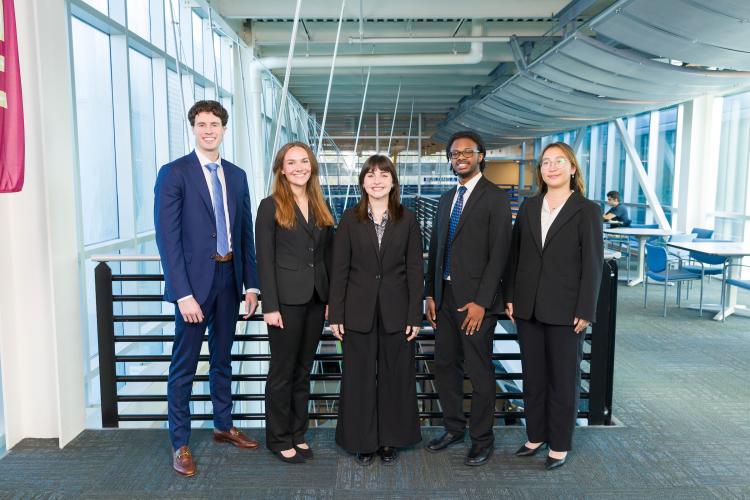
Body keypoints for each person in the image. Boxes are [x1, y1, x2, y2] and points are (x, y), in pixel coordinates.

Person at [154, 100, 261, 477]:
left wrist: (252, 285)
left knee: (223, 358)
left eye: (214, 123)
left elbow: (244, 232)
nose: (208, 130)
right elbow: (168, 240)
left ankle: (222, 424)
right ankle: (180, 442)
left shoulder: (237, 175)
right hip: (194, 288)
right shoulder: (175, 173)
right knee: (183, 366)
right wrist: (182, 294)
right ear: (193, 128)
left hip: (231, 279)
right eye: (201, 124)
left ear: (224, 129)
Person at [504, 141, 603, 471]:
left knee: (563, 378)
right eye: (546, 162)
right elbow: (515, 256)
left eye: (560, 161)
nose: (552, 167)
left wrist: (586, 309)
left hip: (566, 309)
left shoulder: (587, 209)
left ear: (573, 168)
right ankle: (535, 434)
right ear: (541, 170)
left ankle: (559, 442)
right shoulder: (530, 207)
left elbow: (592, 264)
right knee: (533, 377)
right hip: (528, 306)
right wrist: (510, 297)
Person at [424, 130, 513, 466]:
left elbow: (499, 255)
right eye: (454, 153)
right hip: (444, 298)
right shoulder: (447, 198)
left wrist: (482, 301)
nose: (459, 157)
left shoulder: (495, 198)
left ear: (481, 156)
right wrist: (430, 293)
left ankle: (482, 438)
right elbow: (436, 250)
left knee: (478, 371)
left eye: (467, 152)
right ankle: (453, 427)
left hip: (476, 303)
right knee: (445, 365)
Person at [329, 155, 423, 466]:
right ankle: (362, 441)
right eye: (370, 174)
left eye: (384, 174)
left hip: (397, 312)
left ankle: (390, 440)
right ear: (363, 183)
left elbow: (414, 270)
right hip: (358, 311)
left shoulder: (407, 219)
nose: (377, 180)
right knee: (359, 378)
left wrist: (415, 315)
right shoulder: (349, 219)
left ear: (393, 182)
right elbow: (339, 269)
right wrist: (336, 315)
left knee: (396, 377)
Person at [255, 141, 334, 464]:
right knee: (282, 372)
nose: (299, 167)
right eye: (292, 162)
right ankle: (278, 437)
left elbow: (325, 256)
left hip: (315, 299)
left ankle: (297, 432)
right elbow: (265, 260)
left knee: (303, 370)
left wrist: (329, 299)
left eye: (304, 161)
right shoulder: (269, 205)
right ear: (282, 169)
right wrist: (269, 305)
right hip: (285, 302)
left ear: (311, 167)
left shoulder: (319, 205)